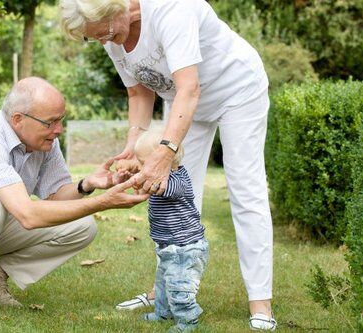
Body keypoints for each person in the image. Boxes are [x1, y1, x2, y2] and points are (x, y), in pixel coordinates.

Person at [60, 0, 277, 330]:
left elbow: (190, 86)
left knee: (245, 190)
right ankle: (169, 292)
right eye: (96, 39)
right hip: (184, 104)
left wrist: (165, 151)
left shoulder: (171, 9)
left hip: (236, 90)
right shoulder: (110, 34)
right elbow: (139, 93)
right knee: (175, 195)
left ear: (115, 6)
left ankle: (261, 303)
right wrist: (133, 149)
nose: (105, 42)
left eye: (104, 32)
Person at [0, 76, 149, 323]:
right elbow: (28, 215)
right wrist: (104, 202)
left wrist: (86, 185)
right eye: (51, 122)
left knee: (82, 226)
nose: (59, 130)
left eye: (61, 120)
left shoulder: (44, 141)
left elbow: (56, 197)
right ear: (18, 119)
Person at [133, 128, 209, 332]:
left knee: (179, 287)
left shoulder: (178, 181)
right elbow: (147, 187)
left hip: (186, 249)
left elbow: (162, 188)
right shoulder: (161, 179)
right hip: (169, 247)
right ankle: (163, 313)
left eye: (143, 163)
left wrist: (138, 181)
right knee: (163, 285)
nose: (140, 168)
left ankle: (188, 321)